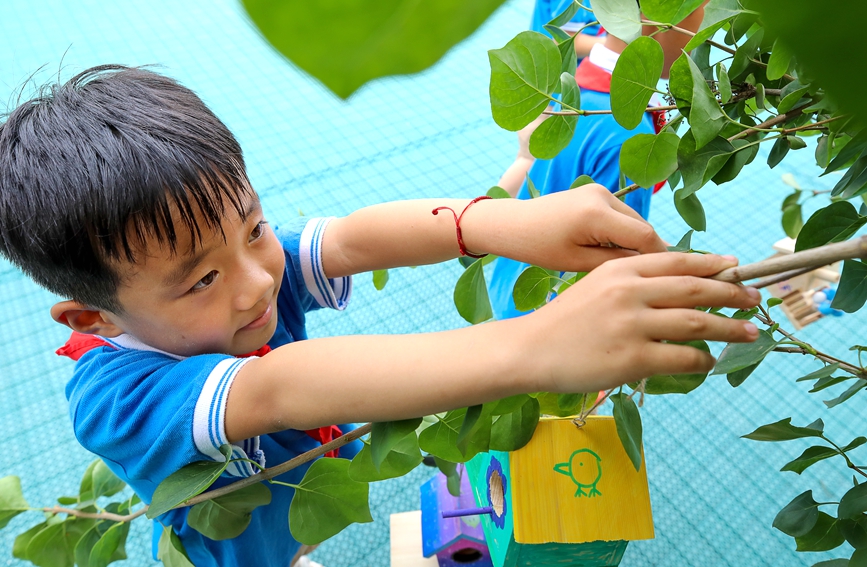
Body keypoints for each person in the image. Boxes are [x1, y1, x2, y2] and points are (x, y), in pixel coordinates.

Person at [0, 65, 759, 567]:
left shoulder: (245, 269)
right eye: (201, 277)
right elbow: (279, 387)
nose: (257, 281)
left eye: (253, 226)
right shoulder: (114, 398)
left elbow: (353, 236)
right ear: (93, 317)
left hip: (298, 475)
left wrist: (487, 222)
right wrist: (535, 342)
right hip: (233, 544)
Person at [490, 4, 707, 320]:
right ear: (663, 16)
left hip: (513, 285)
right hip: (547, 325)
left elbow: (530, 167)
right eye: (705, 14)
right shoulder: (626, 136)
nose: (704, 36)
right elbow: (612, 267)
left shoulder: (571, 88)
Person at [498, 0, 606, 195]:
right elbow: (563, 39)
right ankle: (480, 216)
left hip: (554, 91)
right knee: (530, 161)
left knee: (538, 164)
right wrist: (614, 43)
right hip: (544, 95)